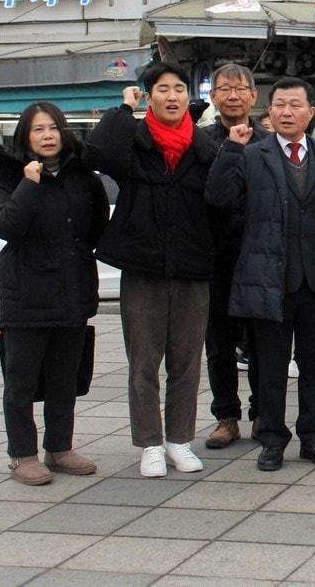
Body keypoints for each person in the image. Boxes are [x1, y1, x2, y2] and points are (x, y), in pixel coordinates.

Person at [205, 77, 315, 472]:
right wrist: (232, 148)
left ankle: (313, 436)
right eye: (279, 105)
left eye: (295, 105)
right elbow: (217, 197)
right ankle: (271, 439)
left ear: (311, 113)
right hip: (269, 282)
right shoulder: (251, 156)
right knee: (268, 367)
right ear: (268, 111)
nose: (287, 112)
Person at [84, 63, 218, 478]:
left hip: (192, 268)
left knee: (186, 361)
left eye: (180, 88)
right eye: (163, 89)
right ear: (150, 96)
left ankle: (179, 440)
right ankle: (149, 443)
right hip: (143, 268)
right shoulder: (134, 142)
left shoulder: (205, 147)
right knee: (143, 361)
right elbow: (97, 150)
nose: (173, 96)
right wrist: (124, 109)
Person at [0, 102, 108, 485]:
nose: (48, 135)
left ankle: (60, 447)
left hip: (72, 290)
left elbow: (97, 224)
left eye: (53, 128)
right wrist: (29, 184)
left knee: (63, 378)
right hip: (27, 295)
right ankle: (22, 455)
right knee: (20, 381)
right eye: (38, 130)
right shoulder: (8, 177)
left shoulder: (82, 176)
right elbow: (4, 226)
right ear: (25, 137)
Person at [202, 65, 268, 450]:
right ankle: (226, 416)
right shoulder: (200, 141)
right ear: (212, 96)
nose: (232, 95)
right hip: (215, 258)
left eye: (239, 88)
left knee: (262, 342)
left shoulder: (268, 141)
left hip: (258, 255)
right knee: (219, 344)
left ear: (253, 96)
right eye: (223, 88)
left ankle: (263, 413)